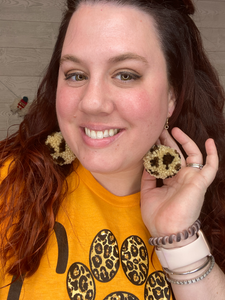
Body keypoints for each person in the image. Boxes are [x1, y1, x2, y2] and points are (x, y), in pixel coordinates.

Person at [1, 0, 225, 299]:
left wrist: (180, 240)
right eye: (76, 75)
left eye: (125, 75)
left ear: (172, 93)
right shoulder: (7, 183)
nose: (92, 102)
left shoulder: (216, 202)